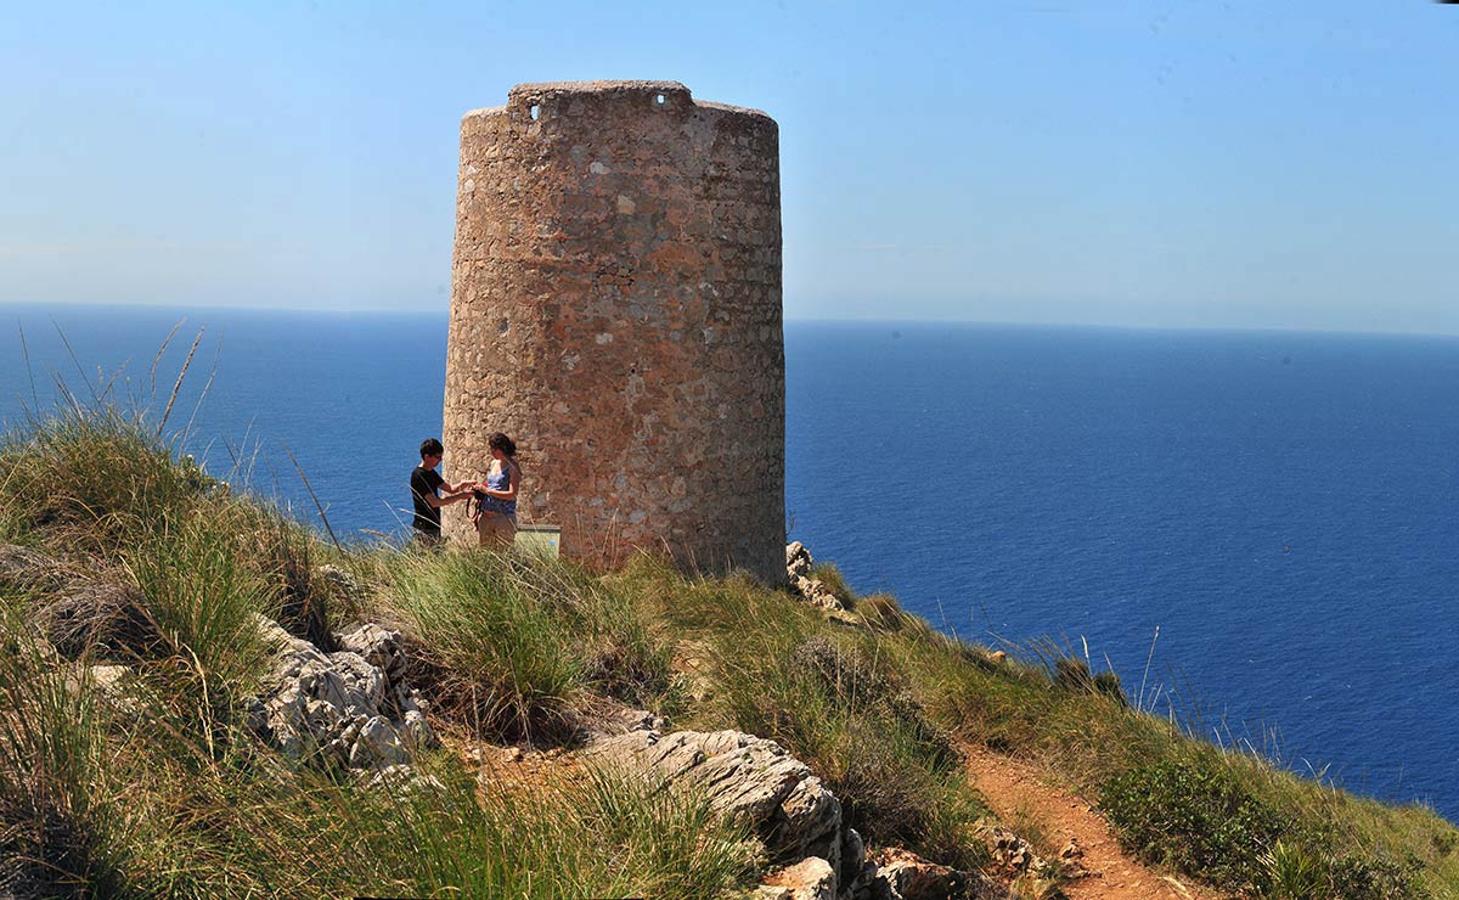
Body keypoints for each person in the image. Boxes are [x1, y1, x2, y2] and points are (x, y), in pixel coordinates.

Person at [410, 438, 471, 546]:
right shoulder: (418, 476)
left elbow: (450, 489)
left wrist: (464, 484)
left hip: (434, 525)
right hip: (424, 527)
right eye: (437, 457)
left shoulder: (431, 473)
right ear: (427, 456)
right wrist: (461, 496)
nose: (440, 460)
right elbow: (435, 502)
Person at [473, 432, 521, 547]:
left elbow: (512, 494)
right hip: (486, 516)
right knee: (485, 553)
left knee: (504, 554)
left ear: (502, 448)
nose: (492, 452)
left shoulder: (512, 468)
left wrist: (487, 491)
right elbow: (490, 484)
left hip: (503, 517)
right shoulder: (493, 464)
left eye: (494, 449)